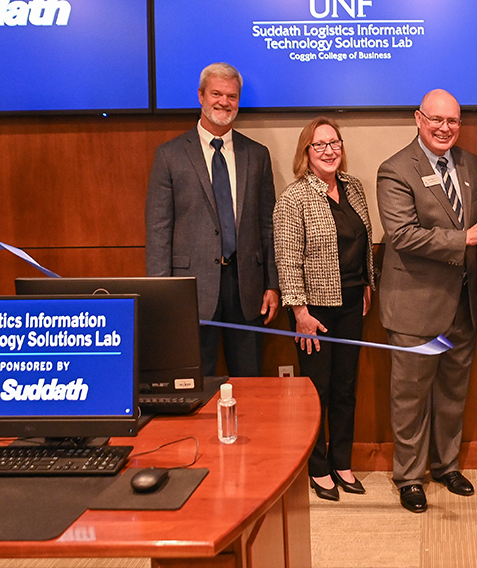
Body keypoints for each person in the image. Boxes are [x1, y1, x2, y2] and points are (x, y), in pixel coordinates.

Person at [376, 89, 477, 513]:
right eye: (436, 120)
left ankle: (446, 465)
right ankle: (409, 477)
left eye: (453, 120)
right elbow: (403, 235)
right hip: (415, 305)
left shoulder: (469, 164)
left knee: (452, 392)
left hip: (462, 302)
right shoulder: (394, 170)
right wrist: (464, 236)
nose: (445, 128)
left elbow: (470, 221)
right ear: (418, 118)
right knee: (410, 397)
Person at [145, 62, 279, 377]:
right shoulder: (170, 155)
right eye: (216, 94)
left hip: (248, 289)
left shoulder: (256, 154)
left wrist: (273, 284)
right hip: (191, 291)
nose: (224, 102)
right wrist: (163, 293)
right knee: (193, 381)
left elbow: (268, 225)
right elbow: (158, 229)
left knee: (249, 382)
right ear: (201, 96)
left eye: (231, 96)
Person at [273, 117, 376, 502]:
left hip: (352, 302)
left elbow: (362, 242)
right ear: (306, 152)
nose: (330, 151)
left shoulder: (354, 188)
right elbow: (287, 259)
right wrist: (299, 312)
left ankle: (342, 461)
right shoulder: (294, 197)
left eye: (335, 143)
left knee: (347, 387)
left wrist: (367, 282)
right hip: (313, 310)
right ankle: (318, 467)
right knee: (317, 391)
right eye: (320, 145)